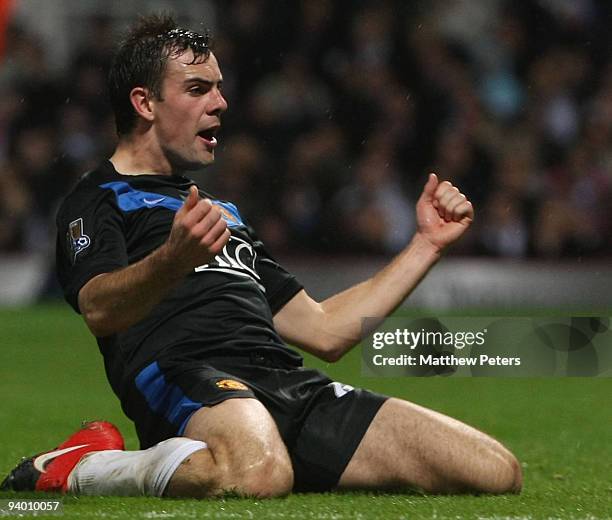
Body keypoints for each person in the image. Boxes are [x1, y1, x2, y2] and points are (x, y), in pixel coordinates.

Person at [2, 14, 521, 498]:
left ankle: (264, 443)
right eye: (198, 89)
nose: (221, 103)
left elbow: (325, 330)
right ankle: (85, 467)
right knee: (258, 473)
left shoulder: (219, 211)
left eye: (220, 87)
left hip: (282, 382)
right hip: (191, 378)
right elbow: (98, 308)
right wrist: (172, 259)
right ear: (145, 103)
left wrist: (426, 244)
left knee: (494, 470)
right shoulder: (98, 198)